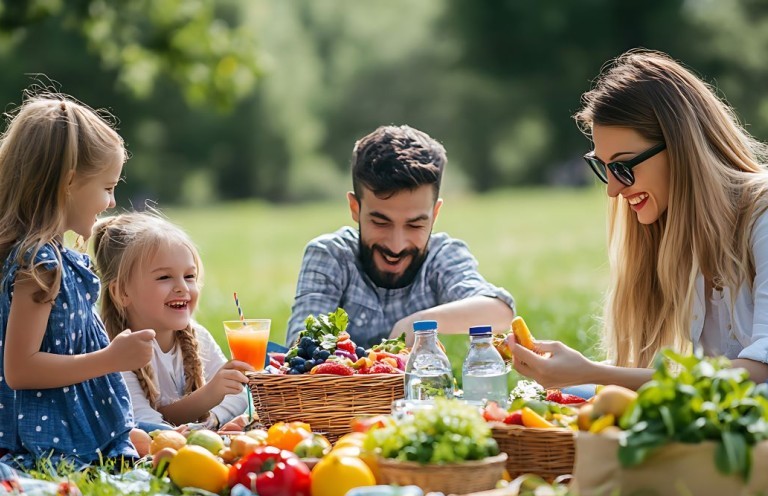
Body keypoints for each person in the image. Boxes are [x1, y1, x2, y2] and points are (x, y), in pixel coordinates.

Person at [510, 50, 768, 441]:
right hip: (735, 415)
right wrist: (573, 374)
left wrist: (593, 372)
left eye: (624, 166)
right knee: (566, 395)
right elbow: (693, 384)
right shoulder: (676, 231)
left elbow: (765, 373)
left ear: (680, 148)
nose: (613, 189)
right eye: (604, 168)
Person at [0, 94, 155, 467]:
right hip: (46, 444)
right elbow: (20, 369)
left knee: (149, 439)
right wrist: (110, 359)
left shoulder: (55, 258)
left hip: (70, 428)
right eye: (107, 187)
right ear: (69, 183)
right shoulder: (40, 263)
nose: (112, 201)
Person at [286, 125, 515, 349]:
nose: (396, 245)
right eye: (380, 222)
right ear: (355, 208)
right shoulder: (331, 255)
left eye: (415, 225)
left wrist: (415, 324)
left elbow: (499, 312)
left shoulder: (441, 256)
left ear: (434, 215)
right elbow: (302, 346)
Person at [93, 211, 252, 432]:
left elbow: (240, 395)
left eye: (189, 276)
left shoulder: (198, 337)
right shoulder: (115, 351)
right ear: (122, 291)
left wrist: (213, 420)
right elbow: (142, 421)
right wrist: (208, 397)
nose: (182, 288)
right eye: (164, 277)